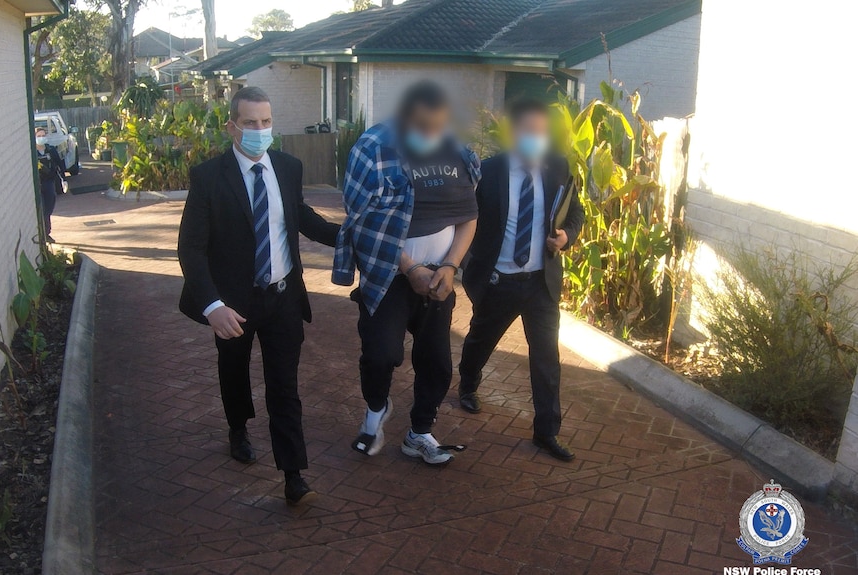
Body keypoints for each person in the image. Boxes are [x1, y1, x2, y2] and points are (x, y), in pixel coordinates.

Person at [177, 86, 340, 505]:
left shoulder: (287, 166)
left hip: (283, 297)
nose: (259, 130)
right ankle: (237, 427)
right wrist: (212, 306)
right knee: (234, 371)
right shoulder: (208, 177)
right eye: (250, 123)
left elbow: (299, 215)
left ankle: (293, 474)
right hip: (234, 303)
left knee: (284, 386)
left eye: (266, 121)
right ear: (232, 126)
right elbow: (190, 248)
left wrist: (345, 237)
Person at [333, 80, 480, 465]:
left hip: (438, 278)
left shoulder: (456, 150)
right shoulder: (375, 148)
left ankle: (419, 433)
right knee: (381, 354)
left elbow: (469, 216)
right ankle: (377, 408)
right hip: (389, 277)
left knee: (437, 363)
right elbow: (362, 221)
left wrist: (449, 267)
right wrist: (410, 267)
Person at [458, 98, 585, 462]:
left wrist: (566, 237)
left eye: (542, 133)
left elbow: (575, 212)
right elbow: (467, 219)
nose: (537, 139)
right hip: (499, 280)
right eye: (530, 132)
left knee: (547, 360)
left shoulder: (558, 168)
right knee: (481, 339)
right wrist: (468, 265)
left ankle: (546, 432)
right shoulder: (488, 172)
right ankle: (468, 381)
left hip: (540, 283)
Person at [35, 126, 64, 243]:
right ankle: (41, 234)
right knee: (40, 209)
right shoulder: (32, 151)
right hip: (37, 183)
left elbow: (59, 162)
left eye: (43, 136)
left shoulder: (50, 150)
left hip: (49, 182)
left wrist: (63, 178)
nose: (41, 138)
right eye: (38, 136)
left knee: (48, 208)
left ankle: (47, 233)